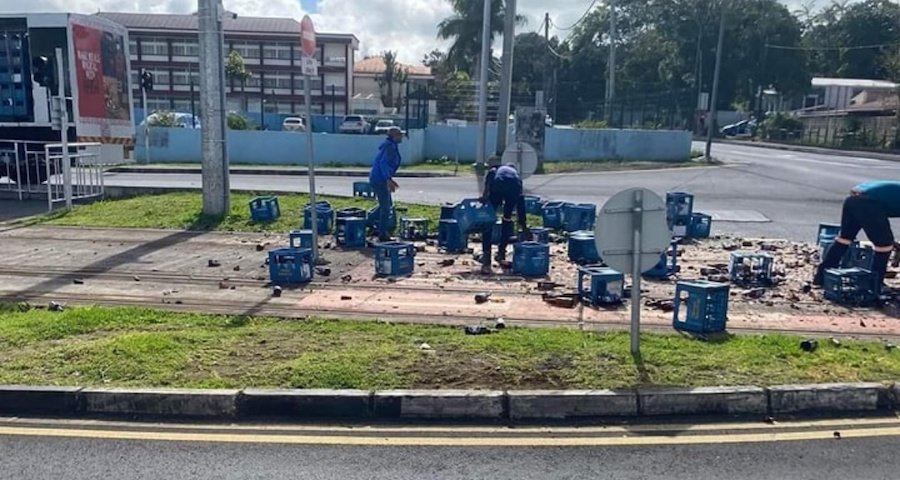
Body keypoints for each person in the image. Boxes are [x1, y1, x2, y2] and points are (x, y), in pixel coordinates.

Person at [814, 181, 900, 295]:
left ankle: (820, 278)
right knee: (884, 246)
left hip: (853, 198)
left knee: (844, 239)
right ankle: (874, 286)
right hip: (869, 202)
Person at [480, 157, 528, 275]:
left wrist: (485, 195)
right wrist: (524, 225)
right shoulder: (517, 178)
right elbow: (521, 204)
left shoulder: (496, 169)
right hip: (513, 190)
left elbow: (490, 176)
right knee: (507, 219)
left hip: (497, 186)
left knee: (488, 221)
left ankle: (486, 261)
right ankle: (501, 254)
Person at [369, 126, 403, 242]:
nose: (401, 136)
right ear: (394, 136)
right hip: (380, 179)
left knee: (386, 205)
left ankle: (366, 221)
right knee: (385, 207)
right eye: (399, 135)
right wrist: (388, 179)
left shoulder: (391, 146)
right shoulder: (389, 147)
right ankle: (382, 234)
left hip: (380, 178)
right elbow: (383, 163)